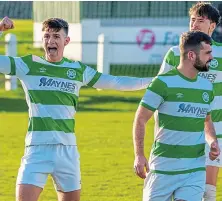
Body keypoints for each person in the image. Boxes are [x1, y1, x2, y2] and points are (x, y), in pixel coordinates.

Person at [0, 17, 152, 201]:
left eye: (56, 36)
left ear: (66, 41)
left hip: (67, 151)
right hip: (36, 150)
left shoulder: (77, 70)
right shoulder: (28, 65)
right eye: (47, 36)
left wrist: (153, 82)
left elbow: (115, 82)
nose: (51, 41)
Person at [133, 31, 220, 201]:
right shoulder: (162, 83)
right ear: (191, 55)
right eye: (207, 53)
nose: (211, 58)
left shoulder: (206, 87)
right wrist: (139, 155)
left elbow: (206, 121)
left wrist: (212, 141)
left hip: (194, 170)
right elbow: (141, 119)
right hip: (162, 169)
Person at [159, 2, 221, 200]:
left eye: (200, 21)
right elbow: (160, 87)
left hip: (215, 126)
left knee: (208, 189)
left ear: (212, 25)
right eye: (192, 20)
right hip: (180, 127)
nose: (194, 24)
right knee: (175, 184)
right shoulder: (174, 53)